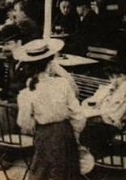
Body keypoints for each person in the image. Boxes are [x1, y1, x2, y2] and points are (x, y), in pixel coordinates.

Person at [15, 38, 86, 180]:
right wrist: (76, 133)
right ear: (49, 65)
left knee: (42, 172)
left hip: (44, 135)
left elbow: (24, 123)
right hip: (65, 133)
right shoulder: (62, 84)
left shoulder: (26, 93)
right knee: (66, 173)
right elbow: (78, 114)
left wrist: (36, 127)